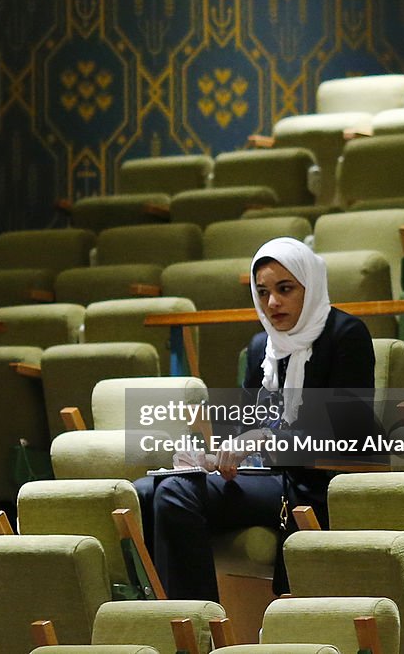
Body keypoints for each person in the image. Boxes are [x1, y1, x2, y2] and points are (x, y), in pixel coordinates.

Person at [135, 237, 377, 600]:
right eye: (262, 292)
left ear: (309, 287)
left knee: (176, 493)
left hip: (312, 481)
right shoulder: (261, 347)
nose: (272, 302)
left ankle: (196, 627)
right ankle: (166, 614)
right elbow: (245, 427)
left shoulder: (346, 335)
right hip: (262, 475)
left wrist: (265, 439)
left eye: (285, 289)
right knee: (143, 491)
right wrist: (214, 458)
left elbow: (346, 431)